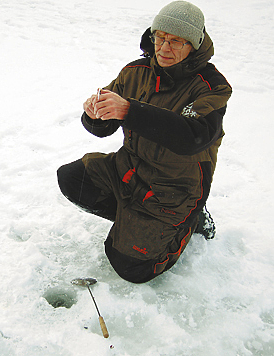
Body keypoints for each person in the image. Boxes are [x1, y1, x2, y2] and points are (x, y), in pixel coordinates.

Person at [57, 1, 231, 283]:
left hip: (174, 189)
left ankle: (189, 223)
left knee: (130, 267)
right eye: (159, 37)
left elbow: (192, 137)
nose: (164, 48)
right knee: (71, 178)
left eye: (176, 41)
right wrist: (95, 114)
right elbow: (103, 128)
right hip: (129, 169)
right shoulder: (135, 71)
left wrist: (130, 111)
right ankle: (136, 223)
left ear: (194, 45)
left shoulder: (210, 86)